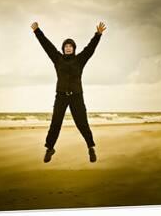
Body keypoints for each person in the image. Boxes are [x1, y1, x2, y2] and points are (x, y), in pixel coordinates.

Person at [31, 21, 107, 163]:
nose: (67, 48)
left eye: (70, 46)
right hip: (61, 96)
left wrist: (98, 35)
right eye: (66, 46)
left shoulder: (80, 60)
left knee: (82, 123)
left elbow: (90, 49)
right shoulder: (57, 59)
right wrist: (37, 31)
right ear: (63, 48)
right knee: (55, 123)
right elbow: (47, 46)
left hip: (76, 96)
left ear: (73, 48)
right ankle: (50, 148)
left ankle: (91, 147)